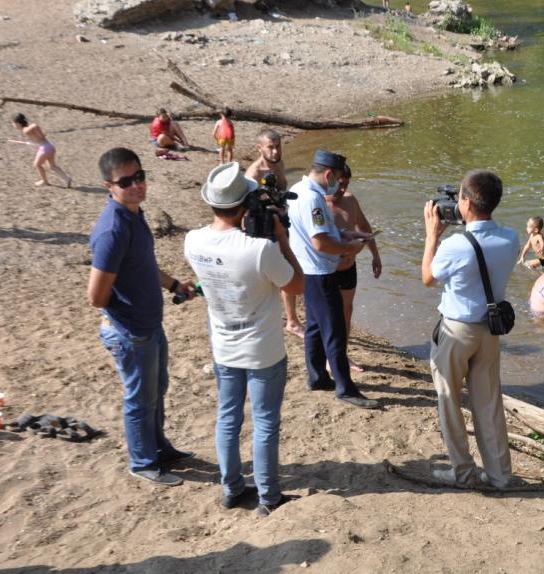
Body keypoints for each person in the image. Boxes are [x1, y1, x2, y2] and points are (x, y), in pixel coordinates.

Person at [184, 163, 305, 517]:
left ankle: (232, 487)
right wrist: (281, 239)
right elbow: (297, 285)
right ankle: (268, 497)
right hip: (262, 348)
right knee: (265, 422)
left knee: (228, 417)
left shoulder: (193, 242)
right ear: (244, 207)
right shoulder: (259, 250)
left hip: (223, 344)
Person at [88, 147, 197, 486]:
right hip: (131, 332)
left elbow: (145, 266)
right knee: (139, 398)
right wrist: (126, 315)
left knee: (157, 390)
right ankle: (143, 461)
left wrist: (174, 284)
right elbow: (96, 296)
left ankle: (159, 447)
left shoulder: (135, 214)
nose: (136, 185)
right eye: (126, 181)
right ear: (109, 185)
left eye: (140, 176)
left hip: (150, 325)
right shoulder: (112, 230)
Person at [421, 169, 518, 488]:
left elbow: (428, 278)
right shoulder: (512, 238)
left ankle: (462, 471)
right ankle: (500, 475)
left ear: (466, 202)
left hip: (457, 330)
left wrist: (432, 234)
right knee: (489, 404)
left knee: (449, 401)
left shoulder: (455, 244)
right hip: (489, 331)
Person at [287, 150, 378, 409]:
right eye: (337, 178)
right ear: (329, 174)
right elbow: (320, 242)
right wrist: (351, 249)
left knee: (315, 327)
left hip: (306, 270)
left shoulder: (298, 190)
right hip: (320, 272)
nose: (338, 185)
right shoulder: (314, 199)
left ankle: (317, 377)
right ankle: (345, 388)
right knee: (335, 330)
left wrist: (344, 233)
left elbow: (317, 229)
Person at [246, 129, 303, 338]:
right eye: (270, 146)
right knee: (263, 274)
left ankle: (292, 321)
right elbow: (247, 208)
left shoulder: (279, 163)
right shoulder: (253, 173)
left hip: (280, 224)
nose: (275, 150)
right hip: (262, 228)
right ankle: (281, 319)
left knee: (286, 270)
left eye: (278, 145)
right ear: (259, 148)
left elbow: (281, 191)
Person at [326, 163, 382, 373]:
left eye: (346, 184)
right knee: (330, 315)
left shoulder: (350, 200)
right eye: (340, 184)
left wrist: (375, 256)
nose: (343, 190)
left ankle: (341, 355)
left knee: (346, 311)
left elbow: (365, 229)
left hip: (349, 267)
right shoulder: (319, 204)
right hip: (327, 269)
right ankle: (329, 356)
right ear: (330, 180)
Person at [12, 113, 72, 187]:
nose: (13, 125)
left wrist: (41, 134)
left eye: (14, 123)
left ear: (18, 123)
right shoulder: (27, 130)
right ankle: (67, 178)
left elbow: (35, 126)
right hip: (50, 146)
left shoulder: (25, 130)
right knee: (52, 166)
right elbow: (37, 138)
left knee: (37, 164)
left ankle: (44, 181)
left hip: (45, 148)